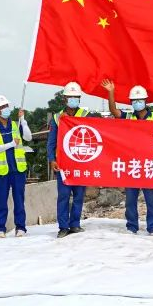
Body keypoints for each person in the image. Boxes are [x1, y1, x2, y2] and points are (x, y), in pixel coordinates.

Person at [102, 78, 153, 235]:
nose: (137, 103)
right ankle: (132, 226)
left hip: (149, 164)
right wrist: (111, 92)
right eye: (134, 100)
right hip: (132, 164)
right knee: (130, 199)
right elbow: (114, 111)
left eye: (139, 100)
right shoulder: (128, 117)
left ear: (145, 101)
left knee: (151, 199)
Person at [47, 81, 90, 238]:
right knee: (64, 195)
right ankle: (63, 227)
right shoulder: (58, 118)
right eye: (70, 97)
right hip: (64, 164)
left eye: (76, 97)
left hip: (81, 161)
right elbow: (51, 142)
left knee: (79, 195)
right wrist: (52, 159)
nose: (73, 99)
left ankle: (75, 225)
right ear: (65, 99)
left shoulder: (85, 115)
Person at [0, 94, 32, 238]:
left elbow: (29, 137)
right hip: (2, 171)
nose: (5, 109)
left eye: (6, 106)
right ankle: (0, 229)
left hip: (18, 169)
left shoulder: (16, 125)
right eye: (1, 107)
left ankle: (21, 227)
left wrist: (23, 121)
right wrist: (11, 144)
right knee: (2, 200)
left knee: (19, 199)